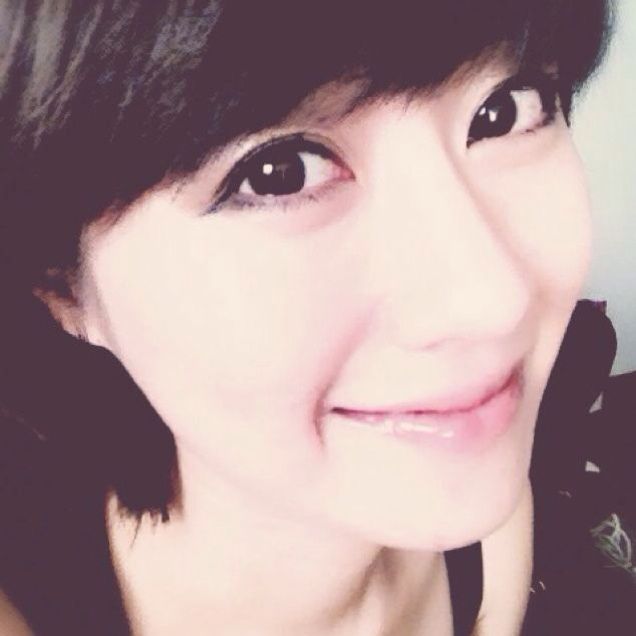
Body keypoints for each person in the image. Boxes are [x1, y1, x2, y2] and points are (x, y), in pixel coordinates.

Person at [0, 1, 613, 634]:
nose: (493, 301)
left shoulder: (473, 456)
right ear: (62, 287)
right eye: (279, 173)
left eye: (503, 110)